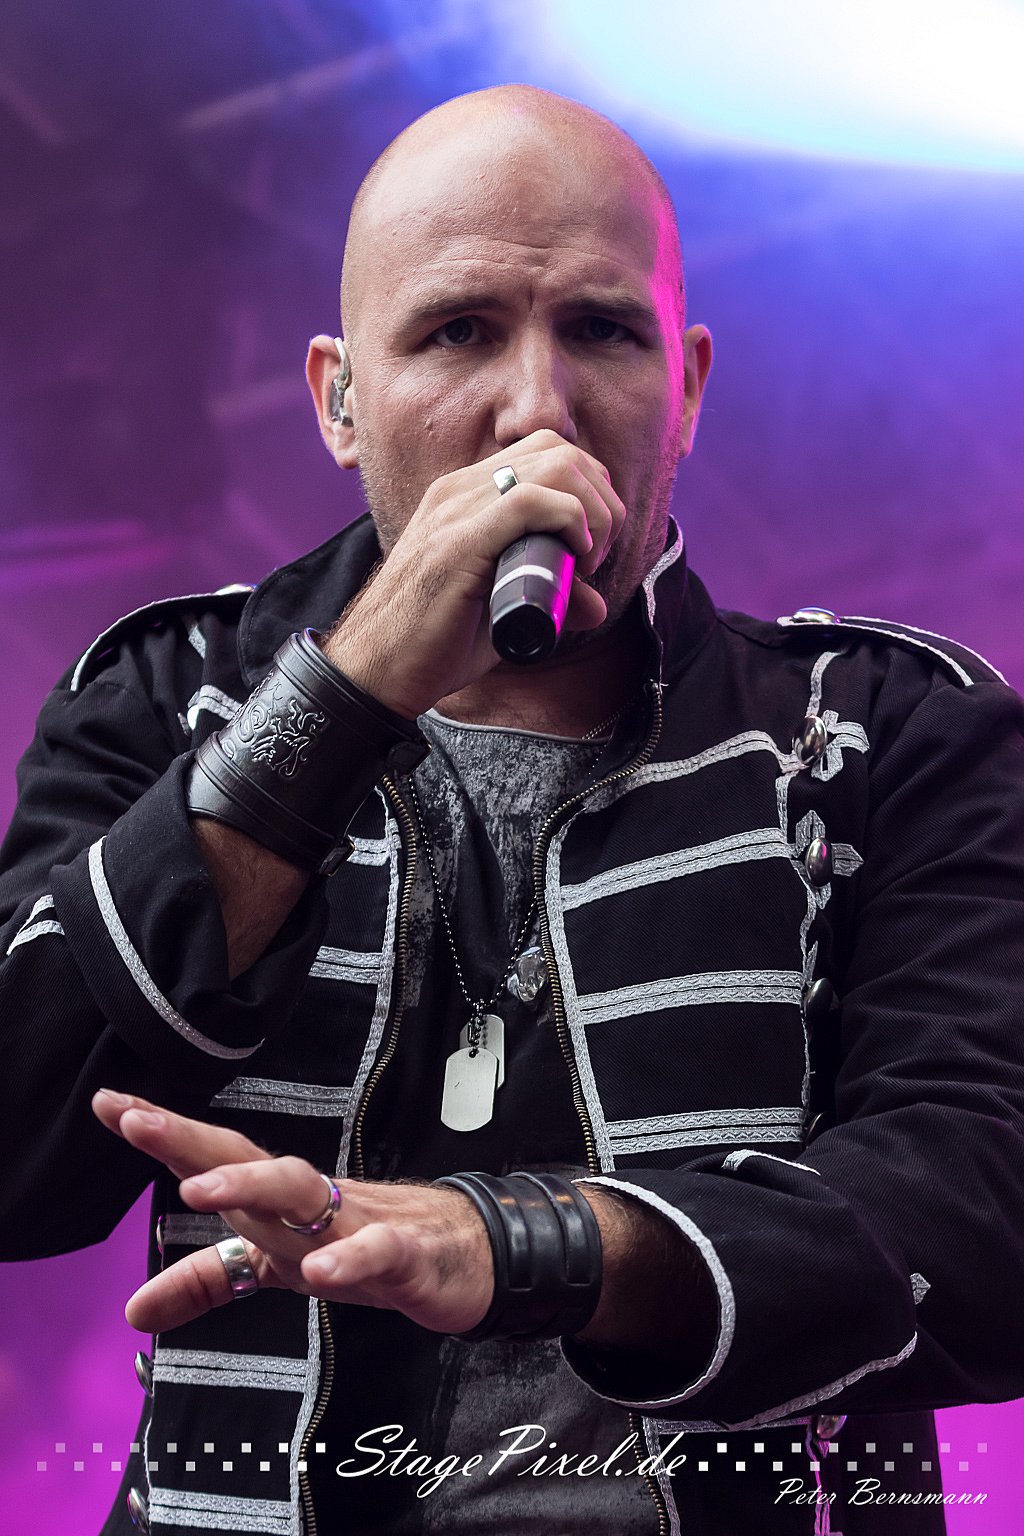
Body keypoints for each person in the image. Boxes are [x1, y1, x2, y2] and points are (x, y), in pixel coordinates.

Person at [2, 83, 1024, 1536]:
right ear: (339, 399)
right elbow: (17, 1161)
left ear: (687, 386)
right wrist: (345, 692)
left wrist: (524, 1245)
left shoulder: (885, 730)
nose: (537, 408)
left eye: (603, 330)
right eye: (457, 331)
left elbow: (986, 1212)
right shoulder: (168, 700)